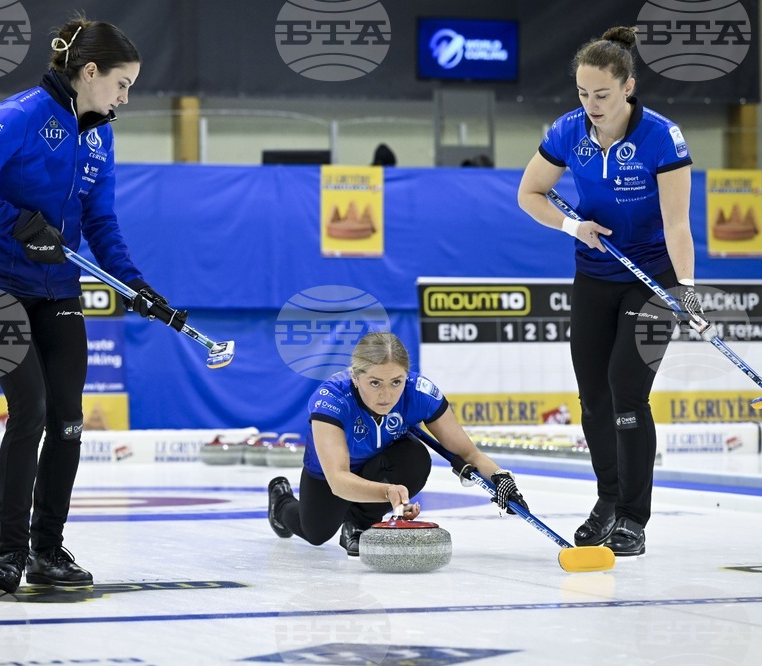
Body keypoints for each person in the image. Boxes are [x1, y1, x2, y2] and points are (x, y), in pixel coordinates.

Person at [0, 14, 173, 594]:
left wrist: (133, 283)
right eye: (122, 84)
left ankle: (48, 550)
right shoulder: (20, 114)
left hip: (59, 289)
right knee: (32, 410)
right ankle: (9, 552)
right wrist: (20, 224)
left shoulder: (100, 133)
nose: (126, 96)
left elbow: (100, 220)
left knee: (69, 421)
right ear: (89, 71)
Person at [516, 26, 700, 557]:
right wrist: (574, 228)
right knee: (593, 397)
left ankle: (633, 519)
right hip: (596, 273)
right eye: (582, 93)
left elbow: (677, 224)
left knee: (626, 388)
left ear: (627, 87)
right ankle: (607, 502)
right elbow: (530, 193)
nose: (591, 104)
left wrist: (685, 290)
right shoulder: (568, 132)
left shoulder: (661, 137)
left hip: (653, 279)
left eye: (601, 94)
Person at [267, 332, 529, 557]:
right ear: (355, 377)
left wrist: (502, 478)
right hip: (330, 475)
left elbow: (468, 452)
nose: (386, 395)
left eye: (396, 382)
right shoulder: (332, 399)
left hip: (379, 463)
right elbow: (338, 479)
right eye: (375, 383)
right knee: (316, 533)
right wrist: (388, 493)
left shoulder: (420, 393)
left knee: (415, 456)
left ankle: (358, 525)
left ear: (407, 376)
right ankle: (281, 504)